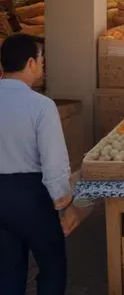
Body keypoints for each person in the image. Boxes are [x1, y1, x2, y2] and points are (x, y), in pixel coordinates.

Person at [0, 34, 75, 295]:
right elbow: (53, 162)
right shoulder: (41, 106)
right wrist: (65, 204)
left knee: (7, 270)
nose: (43, 66)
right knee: (52, 264)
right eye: (42, 60)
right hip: (31, 195)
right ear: (31, 62)